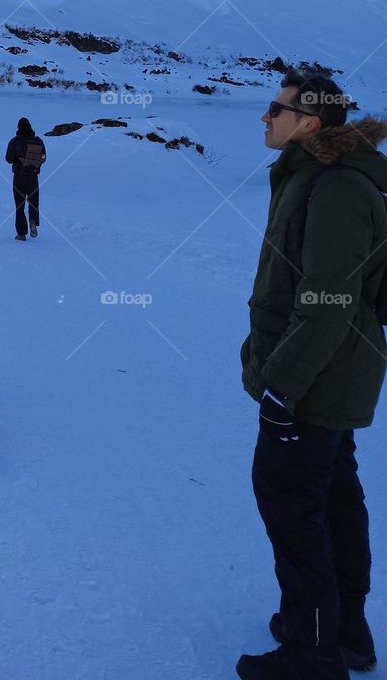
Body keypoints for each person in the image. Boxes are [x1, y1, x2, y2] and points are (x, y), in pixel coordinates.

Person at [236, 71, 387, 680]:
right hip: (331, 371)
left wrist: (282, 387)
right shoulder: (312, 176)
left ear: (312, 122)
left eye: (277, 109)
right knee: (330, 493)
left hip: (317, 376)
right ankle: (343, 630)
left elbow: (327, 298)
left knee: (292, 500)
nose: (265, 118)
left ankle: (313, 652)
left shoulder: (336, 187)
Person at [5, 116, 46, 240]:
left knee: (20, 205)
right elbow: (43, 158)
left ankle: (21, 234)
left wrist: (19, 159)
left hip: (19, 177)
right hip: (33, 177)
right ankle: (33, 221)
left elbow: (8, 159)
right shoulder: (38, 141)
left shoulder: (15, 141)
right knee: (34, 202)